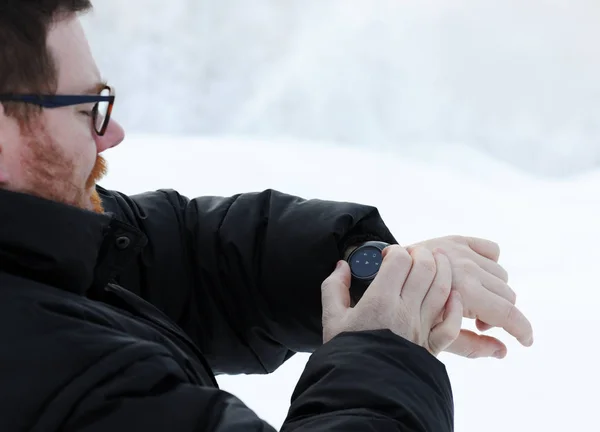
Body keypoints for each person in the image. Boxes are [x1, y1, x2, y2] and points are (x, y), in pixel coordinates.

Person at [0, 1, 534, 430]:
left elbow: (174, 253)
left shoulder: (31, 247)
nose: (111, 133)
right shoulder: (63, 377)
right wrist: (384, 356)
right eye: (85, 107)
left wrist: (370, 272)